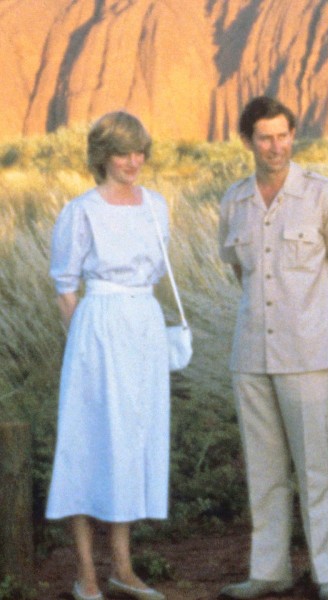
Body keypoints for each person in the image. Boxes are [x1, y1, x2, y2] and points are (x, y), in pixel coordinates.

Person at [218, 96, 328, 600]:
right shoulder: (234, 201)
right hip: (251, 354)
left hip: (309, 354)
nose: (275, 146)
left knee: (314, 468)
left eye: (282, 135)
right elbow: (240, 272)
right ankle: (269, 571)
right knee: (263, 469)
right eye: (264, 137)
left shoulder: (322, 194)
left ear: (293, 135)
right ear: (249, 141)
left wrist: (315, 314)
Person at [47, 112, 170, 600]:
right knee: (88, 440)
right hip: (96, 329)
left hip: (144, 326)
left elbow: (155, 272)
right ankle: (87, 575)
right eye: (123, 152)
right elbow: (65, 286)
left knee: (132, 443)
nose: (133, 161)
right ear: (103, 157)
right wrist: (86, 339)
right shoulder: (81, 210)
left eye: (140, 150)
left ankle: (123, 568)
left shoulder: (157, 206)